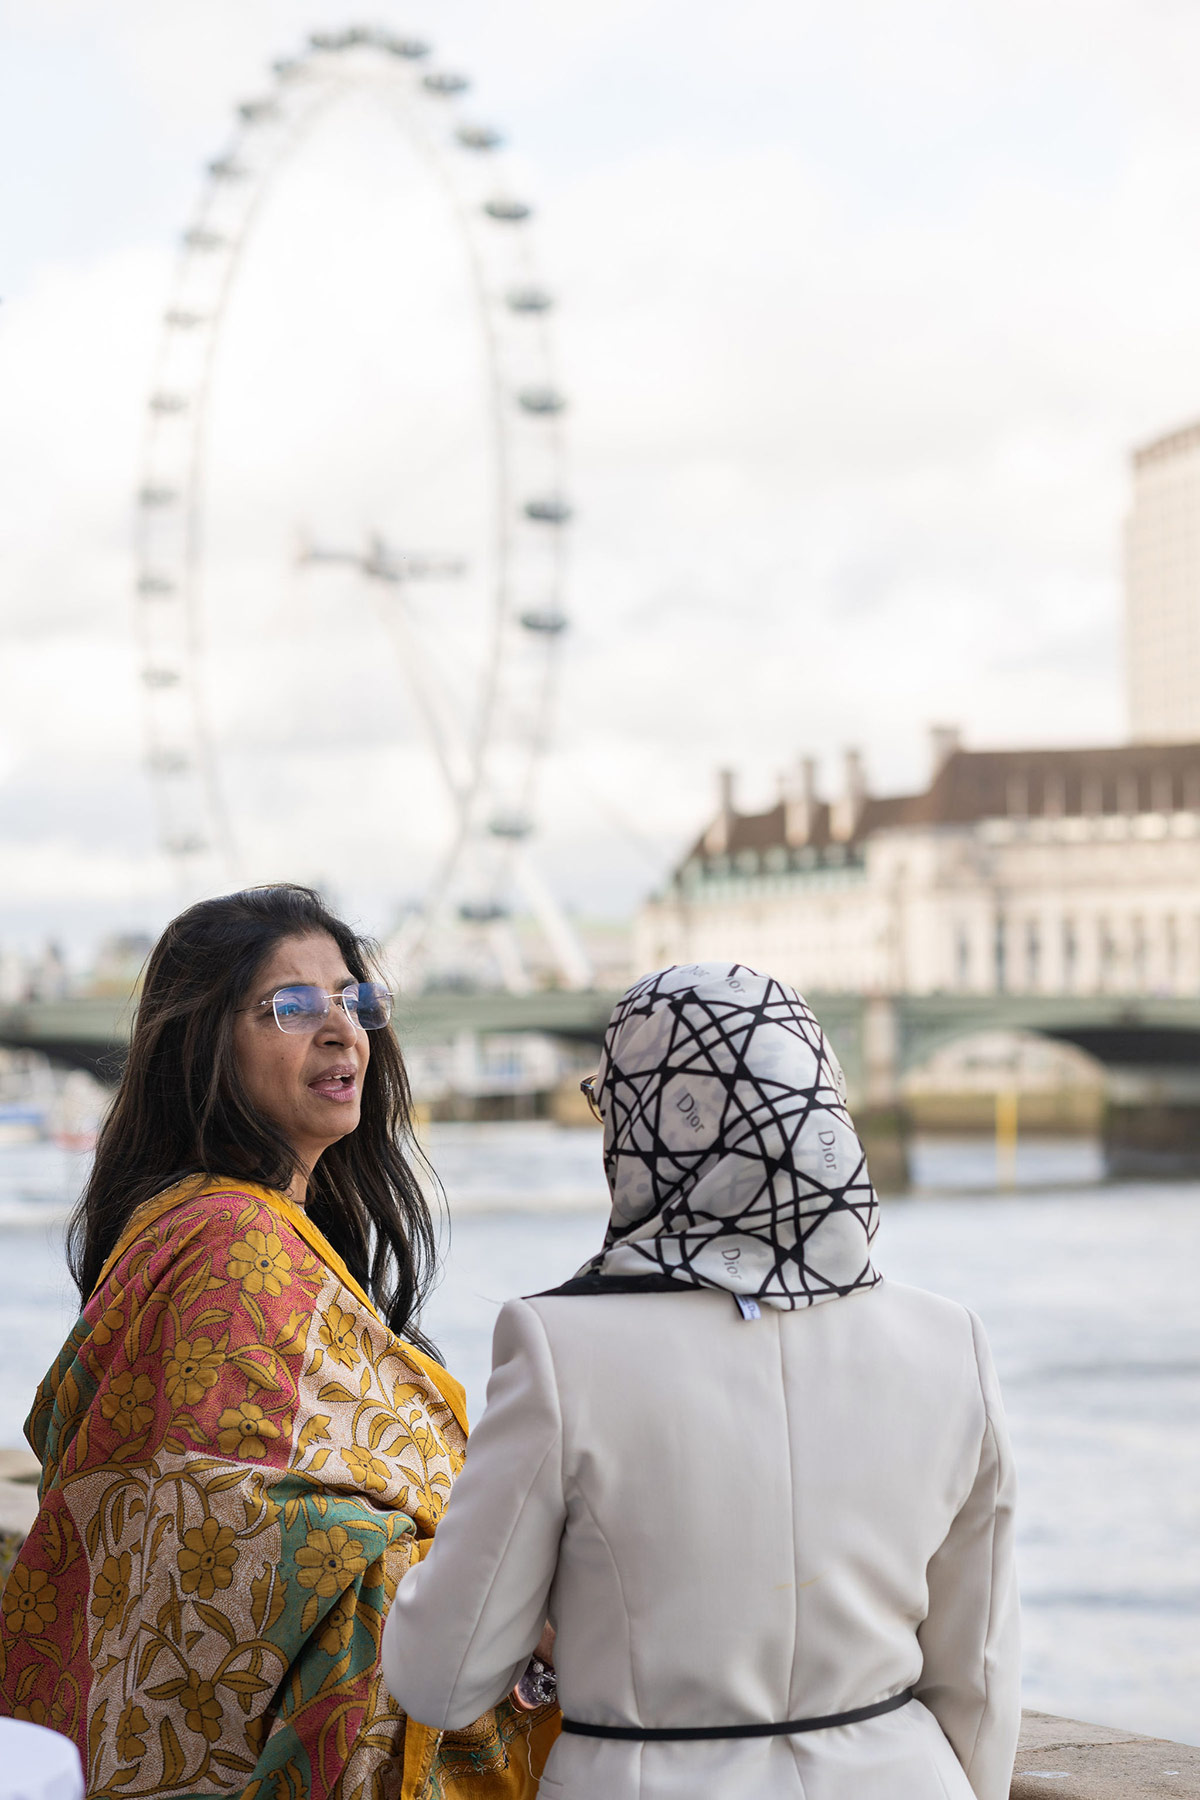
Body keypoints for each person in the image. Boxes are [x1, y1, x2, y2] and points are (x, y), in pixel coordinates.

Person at [382, 962, 1020, 1800]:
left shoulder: (559, 1345)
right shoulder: (949, 1340)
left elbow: (441, 1678)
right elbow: (980, 1677)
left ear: (645, 1124)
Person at [0, 885, 556, 1800]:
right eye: (290, 1007)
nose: (341, 1030)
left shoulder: (237, 1230)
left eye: (354, 1000)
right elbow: (235, 1528)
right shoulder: (230, 1246)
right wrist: (494, 1591)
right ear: (204, 1046)